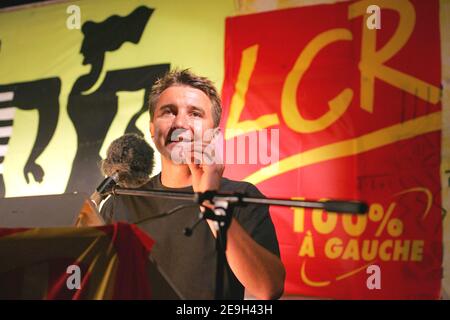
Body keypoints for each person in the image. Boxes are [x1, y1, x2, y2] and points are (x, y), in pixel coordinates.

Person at [100, 69, 285, 300]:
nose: (180, 123)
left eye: (195, 114)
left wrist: (211, 204)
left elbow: (269, 288)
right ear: (151, 129)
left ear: (214, 135)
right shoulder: (120, 202)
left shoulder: (243, 196)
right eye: (168, 112)